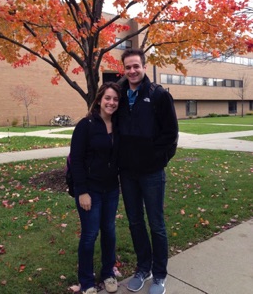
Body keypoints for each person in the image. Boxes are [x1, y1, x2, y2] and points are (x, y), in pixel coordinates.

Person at [117, 49, 178, 294]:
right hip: (127, 173)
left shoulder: (158, 95)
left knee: (156, 224)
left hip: (152, 173)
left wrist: (158, 159)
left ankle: (160, 275)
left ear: (143, 66)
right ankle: (143, 268)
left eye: (136, 66)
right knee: (134, 222)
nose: (132, 71)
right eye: (128, 67)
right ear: (124, 69)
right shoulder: (119, 94)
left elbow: (170, 134)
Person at [70, 82, 121, 294]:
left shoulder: (119, 124)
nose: (111, 102)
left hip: (111, 189)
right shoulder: (86, 125)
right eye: (108, 98)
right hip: (90, 190)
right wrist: (82, 191)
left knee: (109, 231)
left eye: (116, 99)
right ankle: (87, 281)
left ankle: (108, 272)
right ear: (99, 99)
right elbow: (76, 161)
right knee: (90, 235)